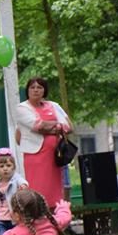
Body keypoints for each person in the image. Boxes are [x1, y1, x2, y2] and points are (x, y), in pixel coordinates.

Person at [14, 77, 72, 208]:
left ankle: (57, 213)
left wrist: (51, 127)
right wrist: (57, 125)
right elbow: (38, 126)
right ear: (27, 90)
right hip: (35, 156)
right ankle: (38, 214)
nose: (36, 90)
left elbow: (68, 126)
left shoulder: (54, 105)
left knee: (56, 190)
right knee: (37, 189)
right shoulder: (22, 108)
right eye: (32, 87)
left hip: (55, 155)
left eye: (39, 87)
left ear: (44, 90)